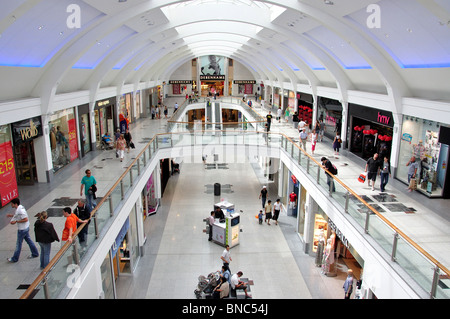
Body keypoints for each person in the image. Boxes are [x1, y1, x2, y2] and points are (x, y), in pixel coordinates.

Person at [6, 198, 39, 263]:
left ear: (15, 204)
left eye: (12, 204)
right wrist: (11, 216)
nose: (11, 205)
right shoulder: (20, 208)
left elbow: (25, 219)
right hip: (25, 228)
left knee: (18, 244)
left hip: (22, 230)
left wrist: (16, 221)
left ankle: (15, 258)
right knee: (29, 241)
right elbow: (18, 215)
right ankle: (35, 253)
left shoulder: (20, 210)